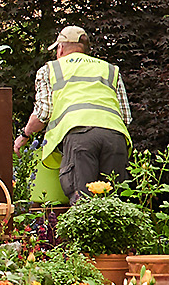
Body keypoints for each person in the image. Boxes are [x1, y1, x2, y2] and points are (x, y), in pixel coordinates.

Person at [19, 24, 132, 204]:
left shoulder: (51, 70)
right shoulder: (110, 70)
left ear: (61, 48)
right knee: (114, 204)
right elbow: (125, 117)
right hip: (114, 138)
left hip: (80, 137)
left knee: (83, 203)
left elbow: (43, 113)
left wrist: (24, 137)